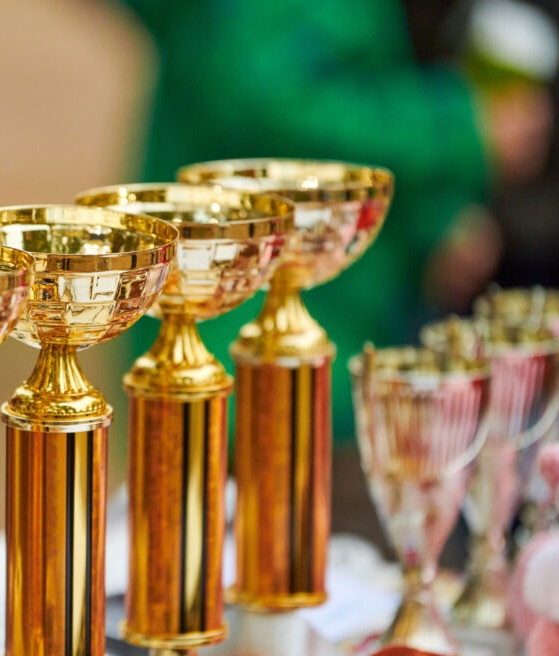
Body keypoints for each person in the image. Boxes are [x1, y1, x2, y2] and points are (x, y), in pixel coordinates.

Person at [115, 0, 552, 443]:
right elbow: (275, 99)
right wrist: (460, 128)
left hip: (329, 311)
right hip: (250, 327)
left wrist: (429, 218)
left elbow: (356, 68)